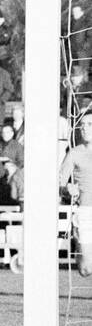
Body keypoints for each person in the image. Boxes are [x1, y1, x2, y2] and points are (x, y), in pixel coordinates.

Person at [58, 114, 92, 276]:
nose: (85, 128)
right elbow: (60, 183)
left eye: (90, 124)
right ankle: (77, 241)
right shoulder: (74, 153)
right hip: (86, 211)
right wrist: (67, 190)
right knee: (86, 269)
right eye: (83, 125)